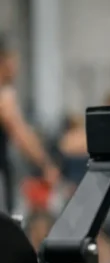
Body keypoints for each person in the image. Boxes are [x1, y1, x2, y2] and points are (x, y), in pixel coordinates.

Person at [0, 37, 58, 213]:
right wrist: (46, 165)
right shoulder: (4, 95)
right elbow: (21, 134)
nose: (17, 68)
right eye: (14, 61)